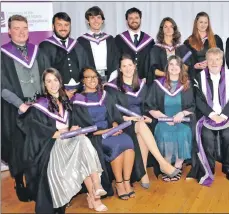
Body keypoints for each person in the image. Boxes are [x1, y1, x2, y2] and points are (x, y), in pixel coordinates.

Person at [18, 68, 106, 213]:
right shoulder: (40, 106)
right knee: (82, 145)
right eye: (48, 81)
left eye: (55, 80)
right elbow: (44, 132)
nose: (53, 84)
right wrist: (67, 131)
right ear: (44, 85)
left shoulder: (65, 101)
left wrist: (74, 130)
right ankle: (95, 193)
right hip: (53, 148)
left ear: (60, 81)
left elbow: (72, 125)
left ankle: (96, 191)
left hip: (69, 143)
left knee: (82, 142)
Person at [104, 54, 180, 189]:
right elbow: (110, 111)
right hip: (124, 123)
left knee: (141, 130)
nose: (127, 69)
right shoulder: (112, 88)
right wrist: (126, 118)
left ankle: (143, 172)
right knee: (140, 127)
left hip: (141, 122)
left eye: (130, 65)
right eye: (124, 66)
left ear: (135, 66)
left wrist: (148, 117)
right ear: (120, 69)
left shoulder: (142, 84)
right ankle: (162, 163)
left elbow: (148, 105)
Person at [71, 67, 136, 201]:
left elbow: (114, 115)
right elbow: (83, 127)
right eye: (88, 77)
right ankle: (118, 184)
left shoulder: (104, 95)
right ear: (82, 80)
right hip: (94, 136)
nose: (92, 80)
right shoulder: (78, 100)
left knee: (128, 142)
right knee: (117, 146)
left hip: (110, 131)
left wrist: (115, 125)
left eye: (94, 76)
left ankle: (126, 181)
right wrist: (106, 131)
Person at [1, 14, 46, 201]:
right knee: (19, 147)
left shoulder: (37, 50)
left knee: (39, 146)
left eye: (24, 28)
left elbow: (46, 77)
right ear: (9, 31)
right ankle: (20, 182)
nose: (21, 32)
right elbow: (1, 85)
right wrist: (20, 104)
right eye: (17, 28)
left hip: (39, 106)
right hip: (16, 108)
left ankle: (38, 183)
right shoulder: (3, 54)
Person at [188, 47, 229, 184]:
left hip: (227, 115)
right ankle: (208, 170)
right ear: (206, 61)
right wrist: (212, 114)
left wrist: (224, 115)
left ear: (222, 61)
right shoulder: (199, 77)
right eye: (211, 59)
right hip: (207, 115)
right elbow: (198, 100)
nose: (214, 62)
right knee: (206, 136)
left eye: (217, 59)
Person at [145, 55, 195, 182]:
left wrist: (182, 114)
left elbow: (192, 106)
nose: (174, 67)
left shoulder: (186, 84)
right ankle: (167, 166)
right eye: (171, 64)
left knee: (183, 132)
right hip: (163, 120)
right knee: (164, 133)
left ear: (181, 68)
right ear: (167, 67)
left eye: (176, 65)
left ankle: (177, 166)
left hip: (182, 120)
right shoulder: (158, 84)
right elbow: (149, 106)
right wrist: (166, 119)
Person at [39, 12, 90, 98]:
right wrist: (62, 91)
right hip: (57, 92)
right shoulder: (45, 46)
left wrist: (84, 88)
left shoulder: (77, 45)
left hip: (80, 91)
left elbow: (86, 67)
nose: (63, 28)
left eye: (66, 25)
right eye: (59, 25)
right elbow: (45, 73)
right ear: (53, 26)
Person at [77, 6, 119, 82]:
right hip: (89, 79)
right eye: (92, 18)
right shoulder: (81, 41)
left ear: (102, 20)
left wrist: (112, 79)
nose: (96, 21)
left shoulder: (110, 39)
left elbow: (115, 60)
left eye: (98, 17)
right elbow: (80, 63)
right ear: (87, 21)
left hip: (110, 78)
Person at [114, 7, 155, 82]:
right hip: (125, 80)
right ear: (127, 21)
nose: (134, 20)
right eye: (131, 18)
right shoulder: (119, 39)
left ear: (140, 19)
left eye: (136, 18)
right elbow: (116, 61)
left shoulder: (150, 41)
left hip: (144, 81)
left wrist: (147, 78)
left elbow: (151, 62)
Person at [147, 17, 192, 83]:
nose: (168, 29)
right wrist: (167, 75)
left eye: (171, 27)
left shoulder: (181, 47)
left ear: (174, 29)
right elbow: (153, 69)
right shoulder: (156, 49)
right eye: (165, 27)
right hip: (162, 82)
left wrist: (177, 74)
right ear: (162, 29)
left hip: (179, 81)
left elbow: (187, 66)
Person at [184, 12, 224, 79]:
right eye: (201, 22)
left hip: (213, 77)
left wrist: (210, 62)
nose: (203, 25)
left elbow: (222, 60)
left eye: (206, 22)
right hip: (196, 76)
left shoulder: (216, 39)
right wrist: (194, 66)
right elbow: (185, 64)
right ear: (196, 23)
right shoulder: (188, 42)